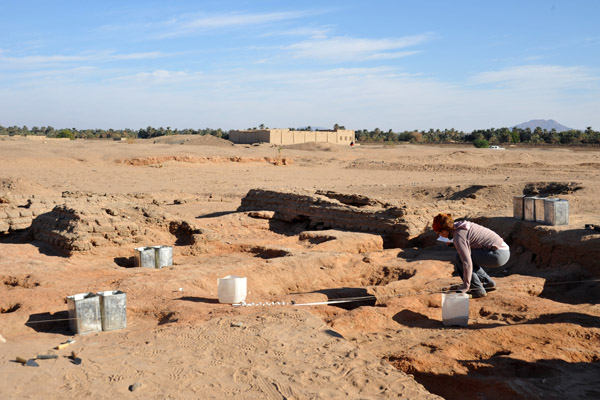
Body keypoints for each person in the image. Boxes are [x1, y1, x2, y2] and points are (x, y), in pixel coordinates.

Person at [432, 213, 510, 298]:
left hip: (498, 255)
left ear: (444, 230)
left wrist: (466, 285)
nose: (440, 236)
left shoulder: (459, 236)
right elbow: (470, 242)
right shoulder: (461, 225)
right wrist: (454, 244)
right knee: (468, 256)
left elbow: (466, 263)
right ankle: (488, 283)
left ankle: (477, 290)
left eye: (438, 233)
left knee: (459, 258)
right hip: (503, 251)